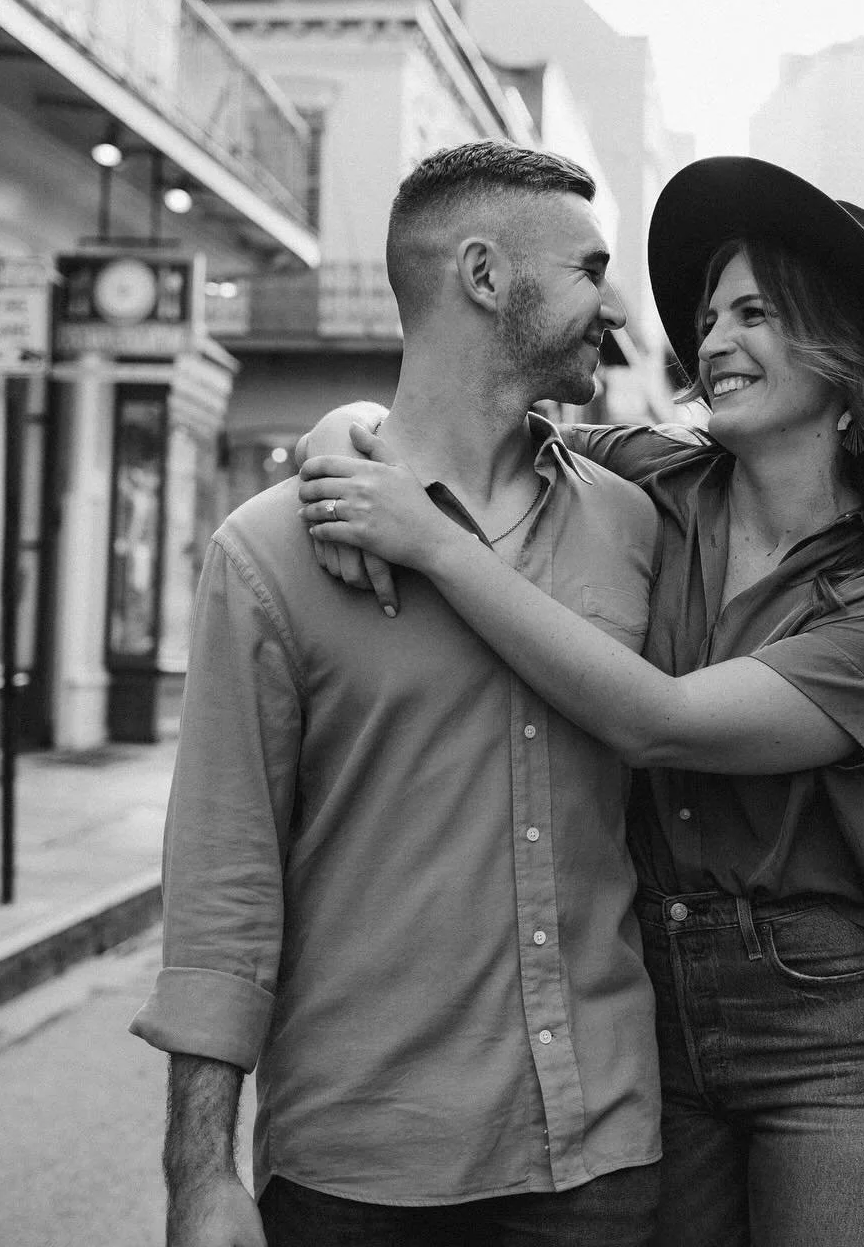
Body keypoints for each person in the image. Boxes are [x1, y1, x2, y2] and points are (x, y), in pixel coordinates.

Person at [299, 156, 864, 1247]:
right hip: (643, 1001)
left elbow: (660, 722)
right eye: (712, 314)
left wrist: (431, 545)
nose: (712, 342)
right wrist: (341, 426)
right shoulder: (651, 478)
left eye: (757, 313)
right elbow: (459, 420)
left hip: (827, 1024)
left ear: (848, 356)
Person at [130, 142, 666, 1247]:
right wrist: (199, 1172)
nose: (612, 301)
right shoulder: (271, 553)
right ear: (482, 275)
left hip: (604, 1162)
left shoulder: (639, 524)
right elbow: (225, 880)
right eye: (588, 267)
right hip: (357, 1175)